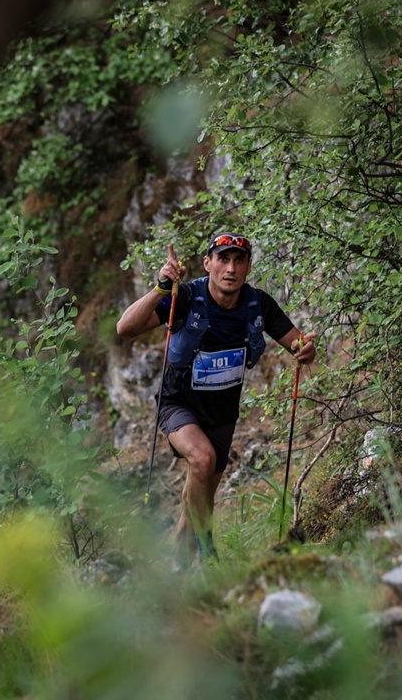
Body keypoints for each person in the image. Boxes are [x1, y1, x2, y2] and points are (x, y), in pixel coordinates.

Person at [116, 232, 316, 565]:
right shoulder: (187, 296)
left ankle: (177, 565)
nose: (231, 268)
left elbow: (299, 346)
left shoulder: (258, 304)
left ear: (248, 267)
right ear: (208, 263)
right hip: (179, 404)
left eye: (239, 260)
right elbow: (126, 328)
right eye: (223, 259)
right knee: (203, 460)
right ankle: (209, 553)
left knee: (202, 491)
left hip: (222, 414)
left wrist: (307, 350)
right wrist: (161, 287)